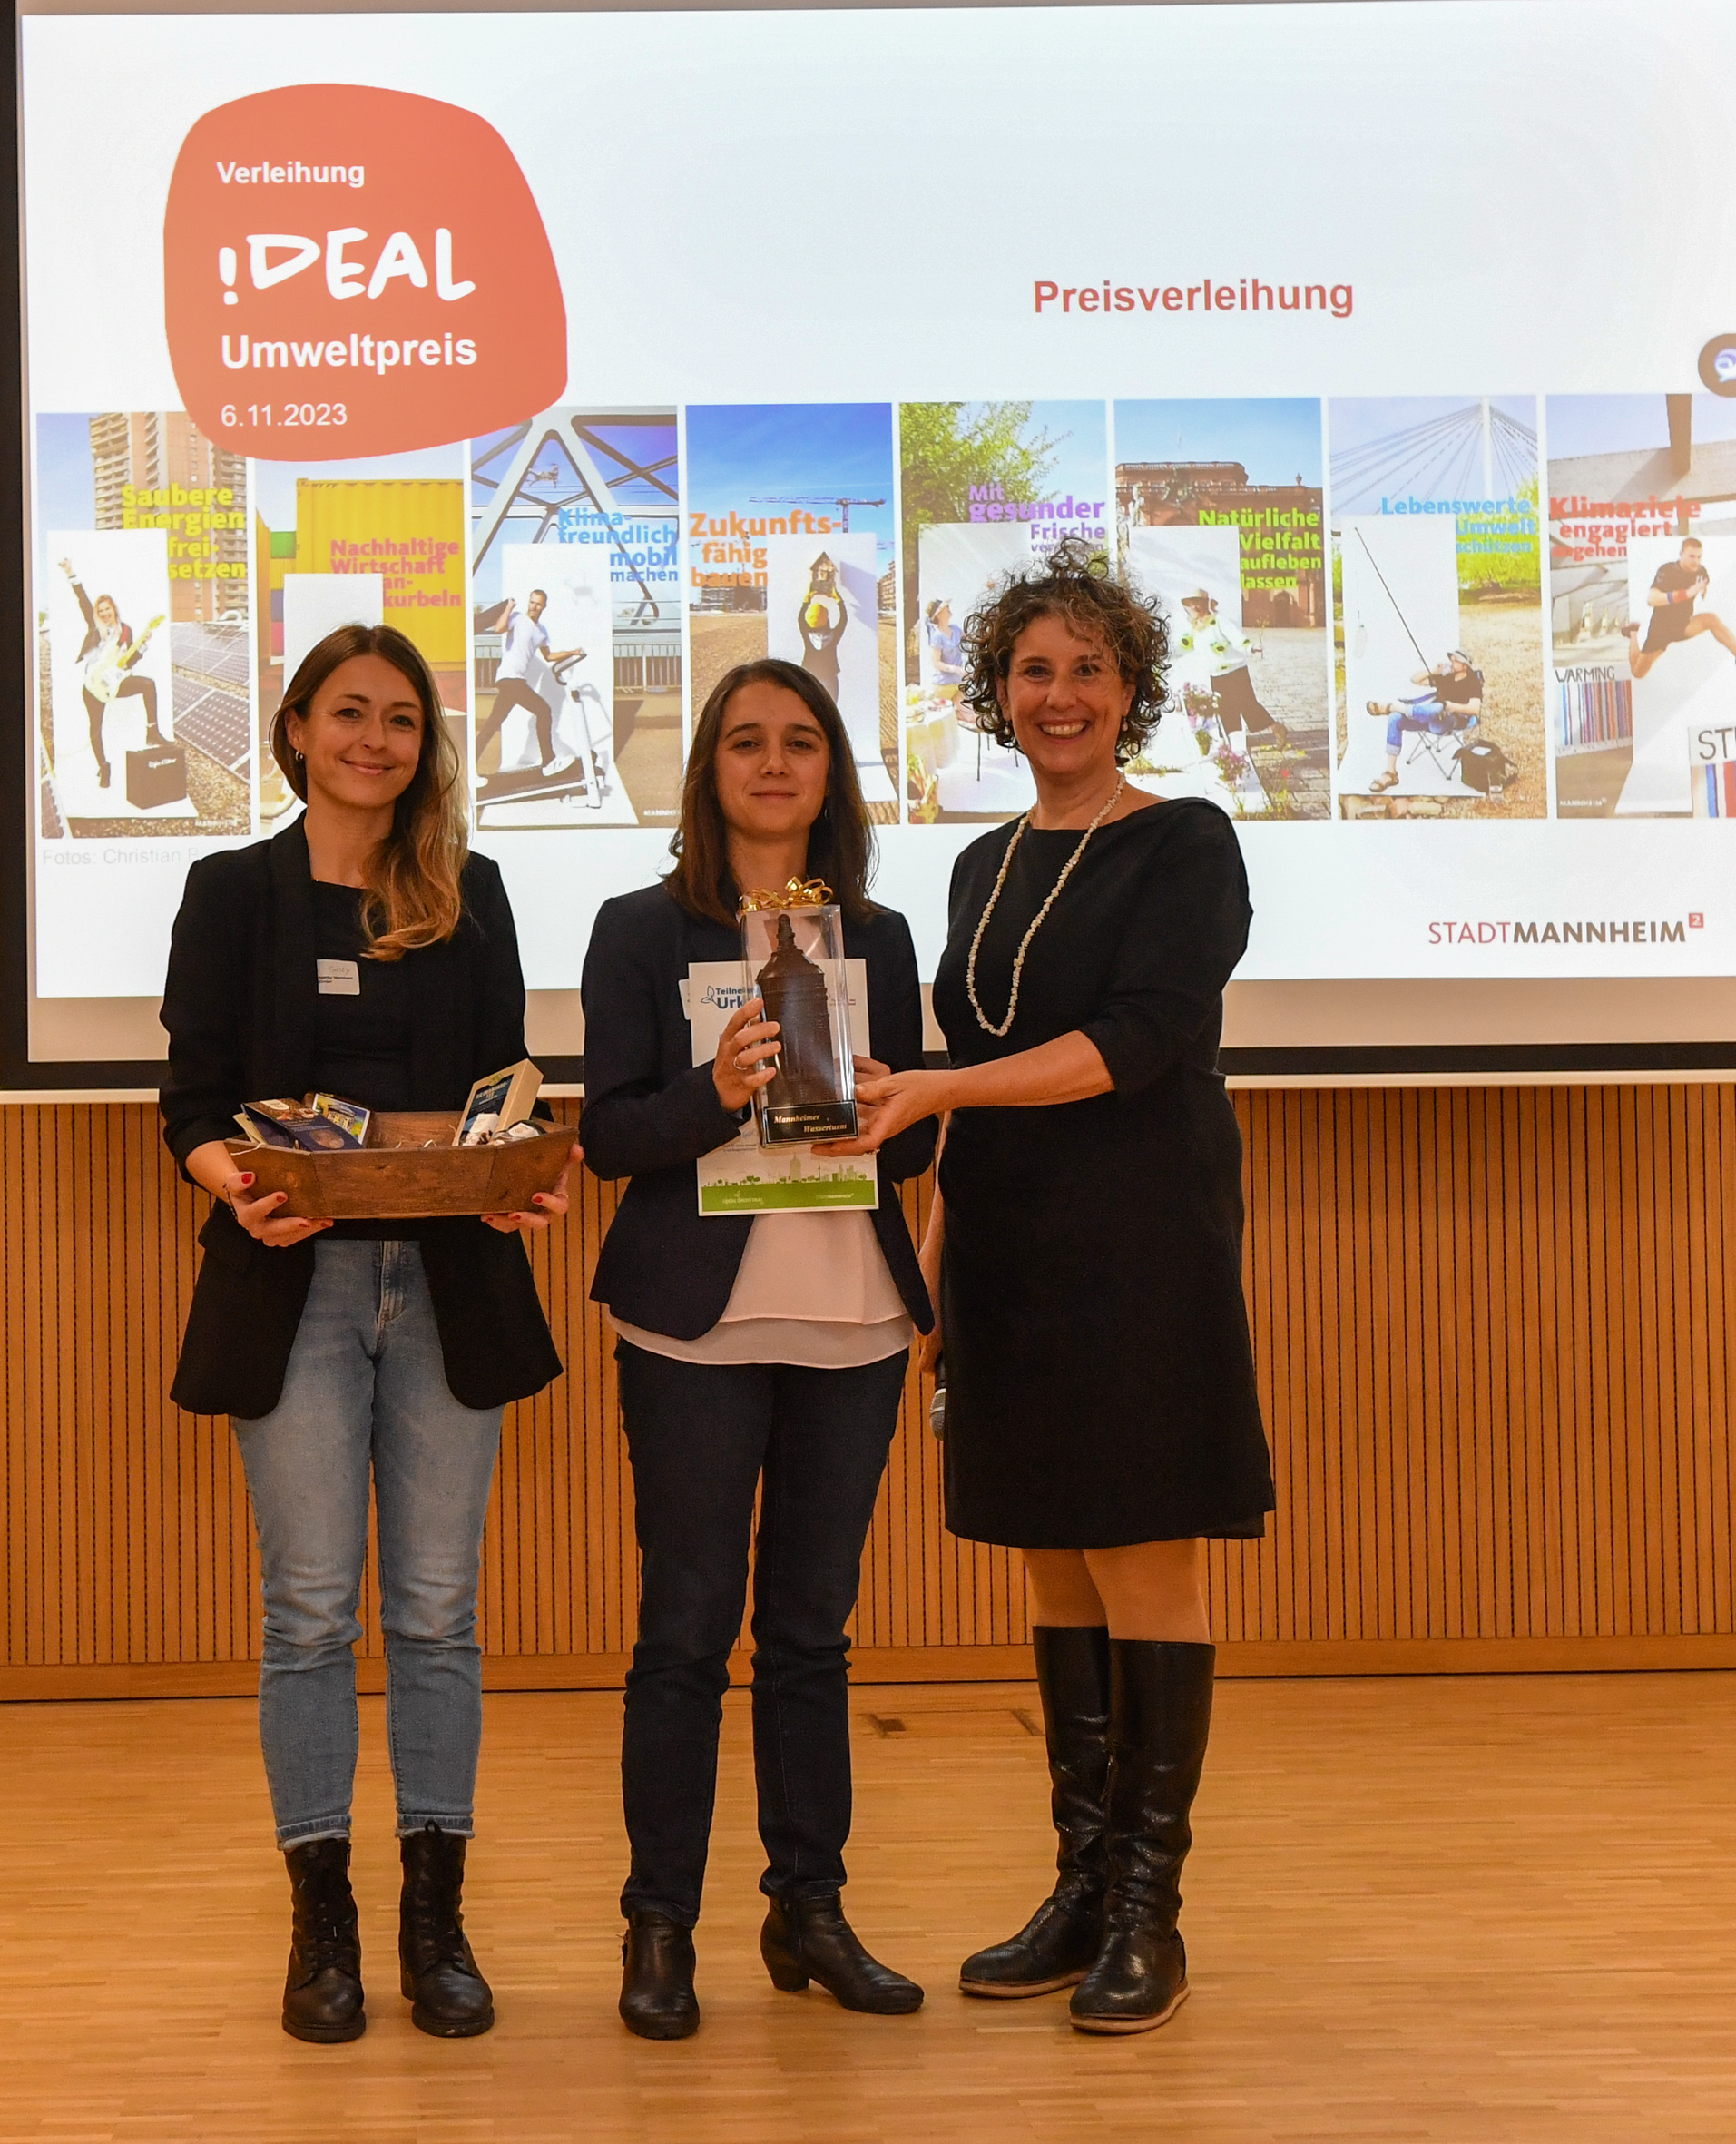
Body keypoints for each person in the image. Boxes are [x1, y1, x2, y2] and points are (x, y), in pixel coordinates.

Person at [829, 537, 1271, 2039]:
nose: (1059, 693)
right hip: (1008, 1252)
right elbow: (967, 1093)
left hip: (1141, 1246)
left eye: (1088, 667)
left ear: (1129, 686)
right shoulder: (982, 860)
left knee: (1142, 1561)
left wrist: (937, 1085)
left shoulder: (1185, 842)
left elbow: (1132, 1044)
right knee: (1050, 1563)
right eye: (1033, 669)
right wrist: (931, 1266)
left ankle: (1149, 1910)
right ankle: (1079, 1888)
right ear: (996, 692)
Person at [159, 621, 579, 2047]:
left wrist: (520, 1169)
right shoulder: (232, 892)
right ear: (293, 729)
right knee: (306, 1612)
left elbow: (502, 1092)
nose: (375, 740)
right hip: (293, 1286)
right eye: (348, 713)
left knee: (437, 1612)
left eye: (401, 718)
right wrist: (240, 1187)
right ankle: (322, 1919)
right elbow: (191, 1100)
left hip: (451, 1282)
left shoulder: (472, 890)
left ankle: (434, 1920)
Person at [579, 658, 940, 2041]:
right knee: (683, 1632)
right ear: (709, 768)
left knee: (809, 1636)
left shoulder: (878, 937)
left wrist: (889, 1109)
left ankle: (810, 1910)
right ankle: (658, 1924)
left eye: (799, 742)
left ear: (829, 771)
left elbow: (909, 1134)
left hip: (852, 1314)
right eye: (745, 741)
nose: (773, 763)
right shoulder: (637, 929)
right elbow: (608, 1135)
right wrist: (713, 1089)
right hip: (694, 1325)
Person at [58, 556, 162, 790]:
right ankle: (104, 767)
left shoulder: (126, 631)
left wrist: (142, 645)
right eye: (101, 610)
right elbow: (83, 599)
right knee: (95, 728)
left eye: (107, 609)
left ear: (114, 609)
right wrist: (70, 572)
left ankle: (152, 732)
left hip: (115, 681)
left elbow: (129, 661)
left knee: (148, 685)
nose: (105, 613)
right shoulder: (96, 627)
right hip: (93, 685)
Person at [1624, 535, 1736, 678]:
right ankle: (1633, 633)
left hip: (1684, 625)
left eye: (1699, 557)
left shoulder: (1701, 572)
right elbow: (1651, 599)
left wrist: (1704, 590)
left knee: (1710, 619)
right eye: (1691, 556)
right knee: (1638, 673)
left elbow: (1704, 585)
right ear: (1681, 555)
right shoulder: (1668, 570)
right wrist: (1686, 594)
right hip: (1661, 630)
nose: (1695, 561)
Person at [481, 589, 584, 778]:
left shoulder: (541, 632)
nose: (534, 607)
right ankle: (549, 761)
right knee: (543, 711)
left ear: (544, 606)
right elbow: (499, 629)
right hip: (509, 678)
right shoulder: (517, 618)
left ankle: (469, 763)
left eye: (538, 604)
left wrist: (572, 652)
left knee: (493, 723)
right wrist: (509, 607)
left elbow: (549, 656)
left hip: (516, 680)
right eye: (532, 602)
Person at [1363, 651, 1485, 793]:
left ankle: (1394, 707)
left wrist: (1452, 706)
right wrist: (1432, 671)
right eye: (1451, 660)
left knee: (1438, 707)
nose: (1451, 663)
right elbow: (1415, 680)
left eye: (1455, 661)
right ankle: (1391, 773)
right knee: (1394, 718)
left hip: (1448, 721)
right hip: (1426, 717)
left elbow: (1474, 709)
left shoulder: (1472, 682)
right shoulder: (1446, 677)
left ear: (1465, 666)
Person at [1176, 588, 1271, 740]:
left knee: (1247, 705)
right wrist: (1162, 654)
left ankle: (1277, 729)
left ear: (1207, 603)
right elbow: (1183, 646)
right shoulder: (1194, 628)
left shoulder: (1219, 620)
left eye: (1199, 603)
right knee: (1226, 710)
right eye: (1192, 604)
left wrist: (1249, 647)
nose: (1195, 607)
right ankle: (1233, 742)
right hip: (1217, 676)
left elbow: (1235, 636)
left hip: (1236, 671)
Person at [795, 552, 850, 700]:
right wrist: (838, 599)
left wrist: (807, 599)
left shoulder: (807, 635)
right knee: (831, 709)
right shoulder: (833, 636)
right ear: (827, 620)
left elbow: (800, 619)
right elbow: (844, 619)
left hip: (808, 677)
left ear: (809, 623)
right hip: (830, 677)